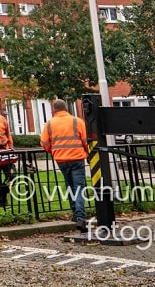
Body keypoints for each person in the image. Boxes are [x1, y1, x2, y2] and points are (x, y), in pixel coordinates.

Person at [41, 98, 90, 230]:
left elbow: (44, 143)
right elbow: (86, 140)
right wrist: (87, 152)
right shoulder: (77, 121)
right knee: (79, 187)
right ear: (66, 108)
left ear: (54, 110)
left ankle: (75, 213)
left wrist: (54, 151)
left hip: (61, 160)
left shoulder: (49, 124)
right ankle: (80, 217)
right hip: (77, 158)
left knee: (70, 186)